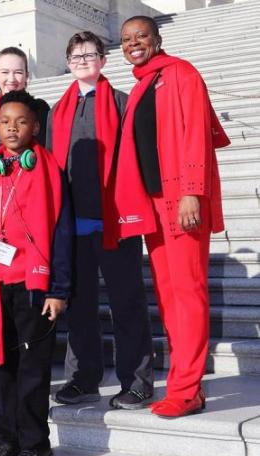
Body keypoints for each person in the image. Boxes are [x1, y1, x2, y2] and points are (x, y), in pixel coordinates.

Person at [110, 16, 228, 418]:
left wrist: (192, 193)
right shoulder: (143, 85)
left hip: (181, 199)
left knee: (188, 295)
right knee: (169, 297)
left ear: (158, 39)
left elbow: (195, 133)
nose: (133, 43)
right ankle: (182, 382)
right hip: (154, 204)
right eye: (126, 39)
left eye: (142, 36)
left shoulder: (181, 74)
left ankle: (187, 389)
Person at [47, 31, 154, 409]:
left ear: (103, 60)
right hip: (71, 227)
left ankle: (137, 380)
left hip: (116, 221)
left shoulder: (124, 103)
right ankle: (83, 378)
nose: (82, 61)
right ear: (68, 61)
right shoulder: (55, 112)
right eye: (75, 56)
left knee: (126, 303)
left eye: (89, 54)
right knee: (79, 307)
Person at [0, 91, 72, 456]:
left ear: (35, 127)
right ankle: (7, 437)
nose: (12, 128)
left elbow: (61, 232)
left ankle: (34, 443)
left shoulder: (47, 168)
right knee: (1, 365)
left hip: (33, 287)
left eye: (21, 121)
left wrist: (58, 289)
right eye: (5, 122)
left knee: (32, 369)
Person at [0, 47, 50, 160]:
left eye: (18, 72)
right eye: (5, 72)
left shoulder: (38, 109)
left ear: (27, 76)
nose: (11, 79)